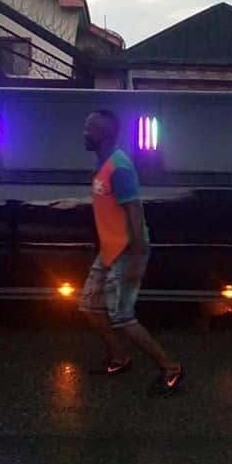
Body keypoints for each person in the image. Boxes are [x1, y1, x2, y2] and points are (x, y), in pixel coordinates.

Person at [78, 109, 185, 397]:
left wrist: (137, 259)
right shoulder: (103, 163)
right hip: (110, 250)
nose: (84, 133)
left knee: (122, 316)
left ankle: (170, 368)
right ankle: (120, 358)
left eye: (90, 129)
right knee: (90, 306)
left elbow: (135, 214)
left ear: (104, 134)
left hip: (126, 251)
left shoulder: (119, 168)